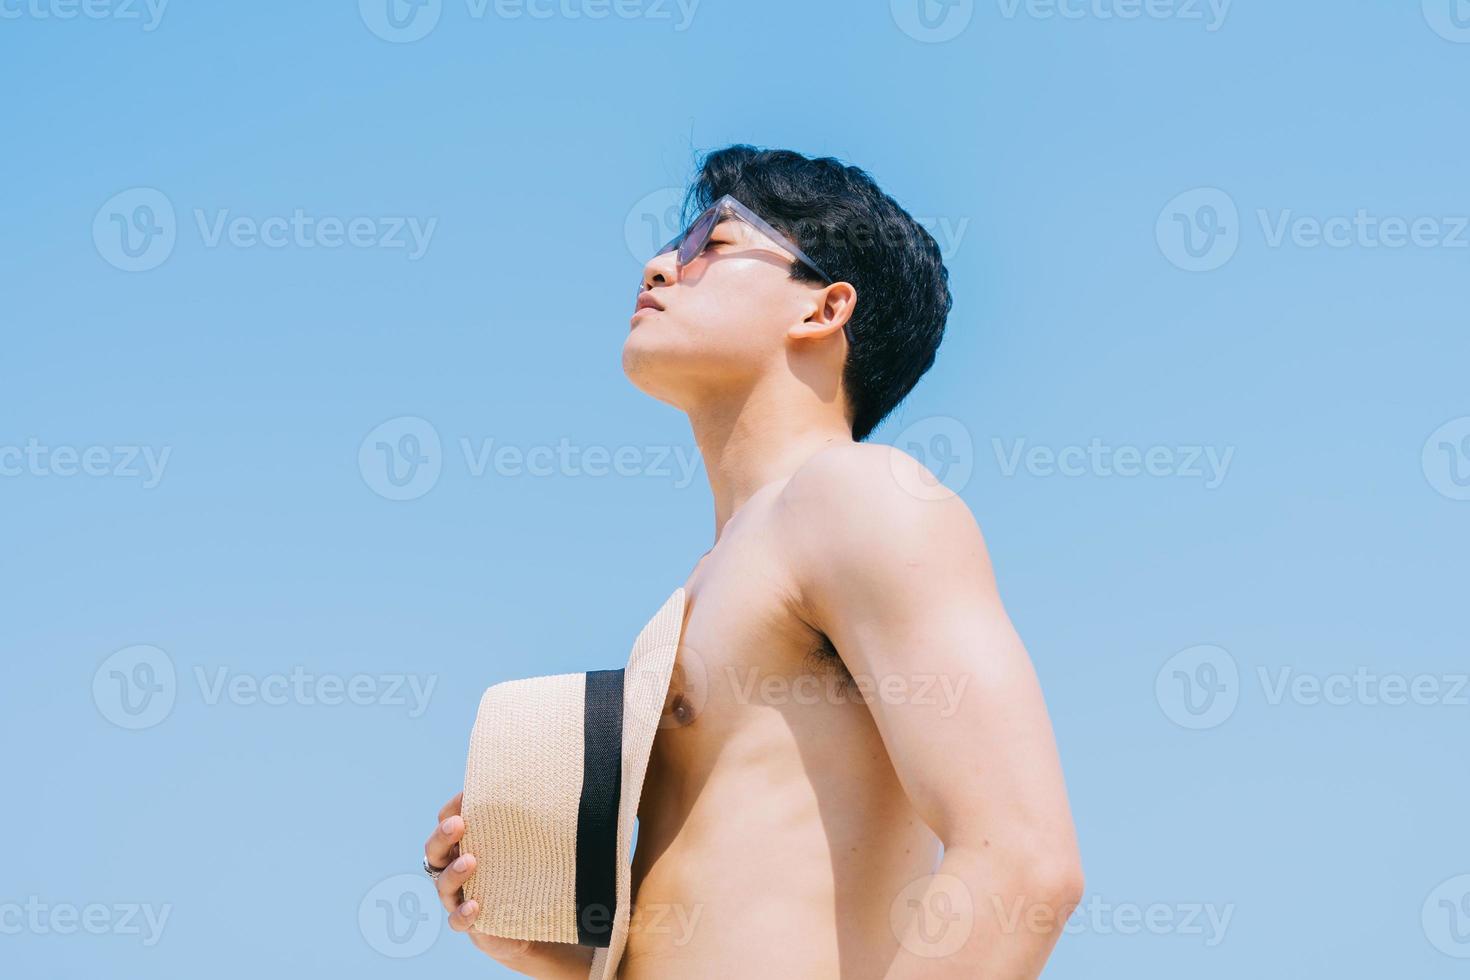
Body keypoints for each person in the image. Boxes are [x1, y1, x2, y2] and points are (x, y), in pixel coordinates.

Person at [423, 145, 1083, 979]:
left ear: (824, 309)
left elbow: (1022, 860)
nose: (662, 264)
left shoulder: (857, 495)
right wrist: (532, 943)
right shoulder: (704, 582)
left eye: (715, 243)